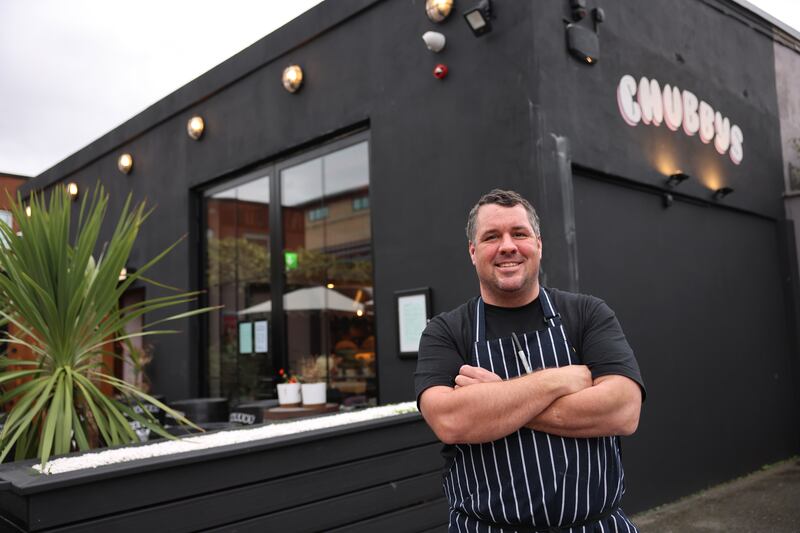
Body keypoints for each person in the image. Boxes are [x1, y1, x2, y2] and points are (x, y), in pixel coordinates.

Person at [415, 189, 645, 532]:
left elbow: (623, 410)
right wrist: (560, 380)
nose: (507, 246)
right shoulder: (446, 331)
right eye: (492, 236)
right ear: (473, 252)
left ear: (538, 244)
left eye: (519, 234)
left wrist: (495, 402)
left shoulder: (587, 313)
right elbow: (451, 421)